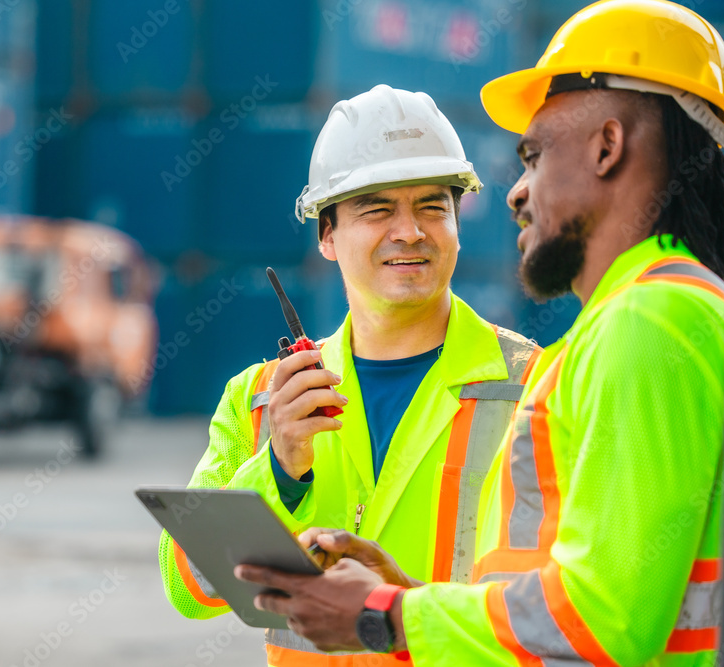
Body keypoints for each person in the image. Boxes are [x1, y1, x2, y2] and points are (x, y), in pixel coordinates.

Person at [235, 1, 724, 665]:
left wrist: (388, 614)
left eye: (533, 155)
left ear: (607, 146)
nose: (516, 193)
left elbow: (604, 623)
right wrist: (407, 596)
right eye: (376, 210)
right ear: (327, 233)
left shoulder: (649, 320)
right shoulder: (672, 312)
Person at [158, 84, 541, 666]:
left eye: (432, 206)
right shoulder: (260, 399)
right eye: (377, 209)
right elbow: (188, 586)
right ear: (328, 235)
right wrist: (280, 470)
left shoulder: (533, 386)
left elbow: (562, 605)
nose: (409, 231)